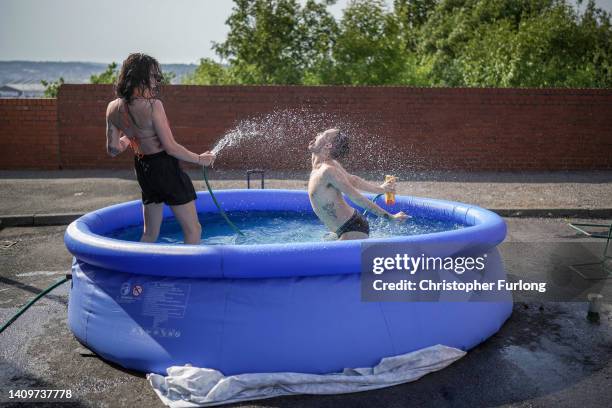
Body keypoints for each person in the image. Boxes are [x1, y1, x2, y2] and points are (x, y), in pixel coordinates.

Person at [105, 53, 215, 244]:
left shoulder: (112, 108)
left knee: (149, 234)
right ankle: (185, 273)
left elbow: (113, 149)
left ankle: (140, 271)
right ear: (140, 77)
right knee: (193, 230)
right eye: (153, 76)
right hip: (164, 168)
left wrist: (130, 136)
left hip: (143, 169)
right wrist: (199, 159)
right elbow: (170, 148)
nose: (157, 81)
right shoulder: (154, 105)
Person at [308, 128, 408, 240]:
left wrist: (390, 217)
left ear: (328, 145)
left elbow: (357, 197)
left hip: (352, 228)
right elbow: (353, 180)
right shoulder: (329, 165)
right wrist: (380, 189)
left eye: (323, 134)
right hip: (339, 229)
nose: (318, 134)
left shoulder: (328, 171)